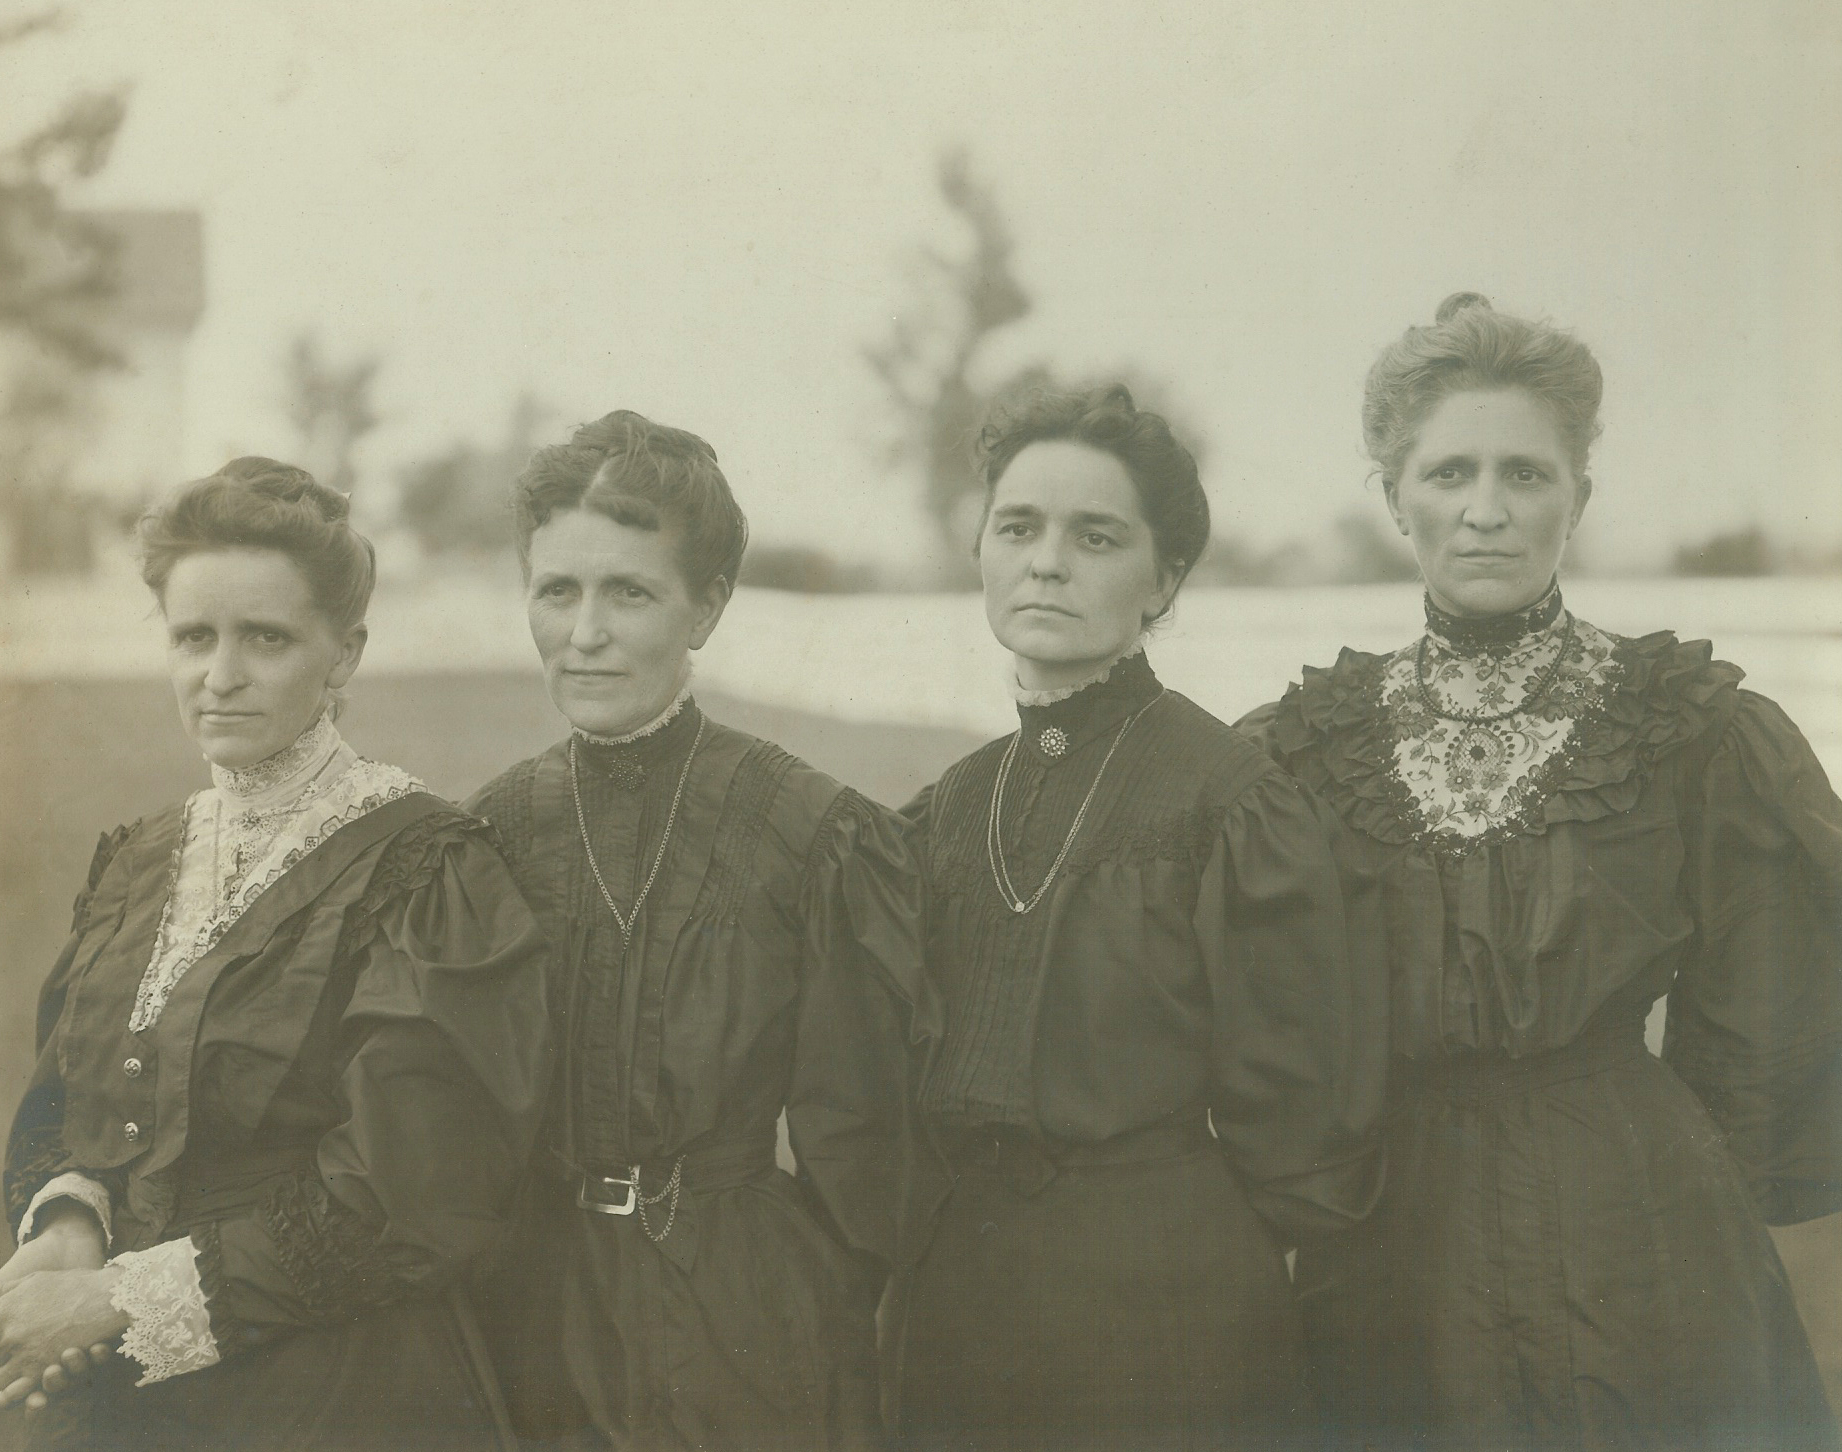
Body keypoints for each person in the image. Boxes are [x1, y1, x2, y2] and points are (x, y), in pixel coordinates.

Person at [1242, 293, 1842, 1451]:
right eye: (1449, 473)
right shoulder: (1302, 749)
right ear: (1392, 498)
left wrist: (1670, 1186)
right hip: (1390, 1243)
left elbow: (1763, 1029)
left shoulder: (1689, 726)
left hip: (1643, 1240)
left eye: (1526, 475)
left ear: (1579, 498)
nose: (1485, 512)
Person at [0, 458, 553, 1451]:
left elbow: (406, 1203)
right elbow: (61, 1110)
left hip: (334, 1392)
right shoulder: (140, 859)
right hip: (119, 1387)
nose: (221, 676)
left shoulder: (425, 867)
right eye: (194, 637)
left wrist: (115, 1302)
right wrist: (69, 1226)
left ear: (343, 654)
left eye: (266, 638)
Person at [893, 384, 1388, 1452]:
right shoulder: (950, 806)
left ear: (1164, 578)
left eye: (1096, 535)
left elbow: (1303, 1119)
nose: (1047, 561)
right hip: (957, 1310)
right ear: (979, 549)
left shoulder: (1230, 797)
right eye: (1017, 527)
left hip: (1167, 1317)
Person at [467, 411, 927, 1451]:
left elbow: (867, 1152)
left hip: (747, 1321)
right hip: (533, 1316)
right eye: (557, 591)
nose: (585, 633)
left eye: (629, 591)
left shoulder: (811, 830)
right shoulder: (486, 834)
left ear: (706, 606)